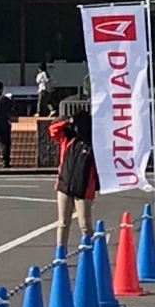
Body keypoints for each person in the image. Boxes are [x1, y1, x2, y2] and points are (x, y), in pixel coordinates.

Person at [49, 105, 98, 254]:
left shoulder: (93, 143)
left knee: (85, 224)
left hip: (84, 188)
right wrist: (68, 121)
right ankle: (60, 253)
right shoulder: (67, 139)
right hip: (64, 185)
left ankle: (92, 253)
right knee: (63, 223)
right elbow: (53, 130)